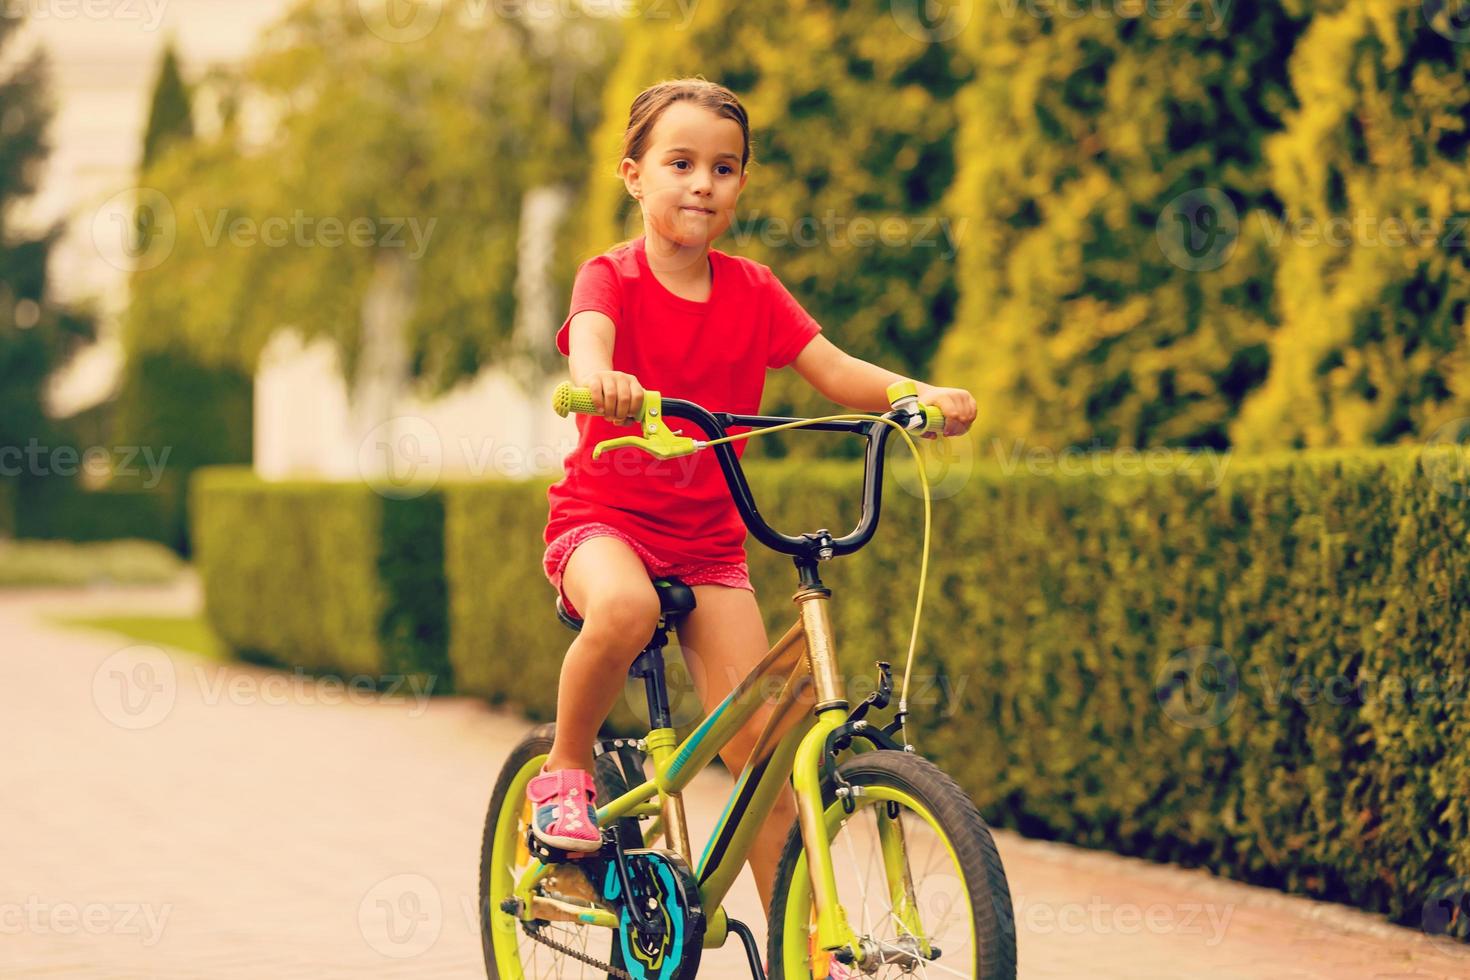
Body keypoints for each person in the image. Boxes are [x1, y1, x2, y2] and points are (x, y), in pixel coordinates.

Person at [528, 77, 978, 920]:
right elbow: (588, 342)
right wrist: (603, 383)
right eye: (682, 162)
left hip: (707, 544)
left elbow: (836, 370)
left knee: (770, 768)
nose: (704, 182)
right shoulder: (612, 277)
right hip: (606, 523)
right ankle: (565, 770)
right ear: (634, 176)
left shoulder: (753, 290)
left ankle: (807, 952)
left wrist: (919, 394)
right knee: (621, 610)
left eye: (725, 168)